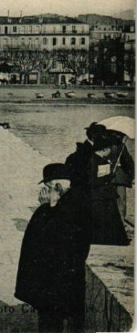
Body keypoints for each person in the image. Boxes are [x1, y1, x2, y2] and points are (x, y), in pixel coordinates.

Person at [15, 163, 91, 333]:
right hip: (57, 276)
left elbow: (53, 235)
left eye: (48, 187)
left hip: (59, 278)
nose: (45, 192)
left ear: (58, 187)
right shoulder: (67, 201)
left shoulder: (71, 204)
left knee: (51, 321)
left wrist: (46, 207)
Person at [64, 123, 132, 245]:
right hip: (97, 189)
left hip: (96, 189)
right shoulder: (112, 146)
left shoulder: (84, 149)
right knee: (114, 209)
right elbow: (128, 164)